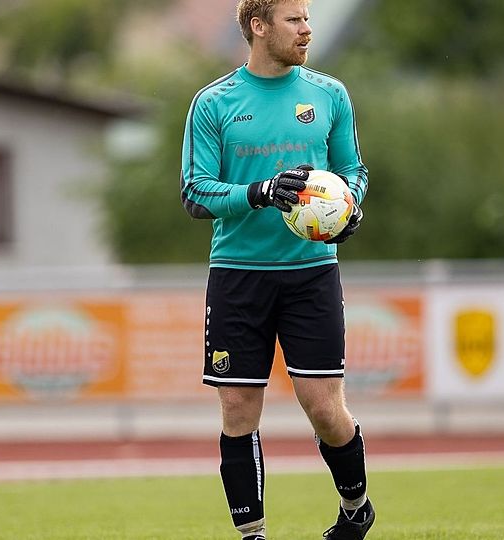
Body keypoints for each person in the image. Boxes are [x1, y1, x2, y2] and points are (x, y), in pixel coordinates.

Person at [179, 1, 372, 538]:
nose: (307, 29)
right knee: (239, 410)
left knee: (324, 408)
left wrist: (349, 206)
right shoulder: (214, 102)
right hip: (239, 274)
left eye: (307, 18)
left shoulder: (329, 94)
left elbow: (353, 170)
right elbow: (195, 193)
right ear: (258, 27)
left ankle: (356, 507)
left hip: (311, 272)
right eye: (294, 20)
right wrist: (258, 193)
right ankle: (253, 535)